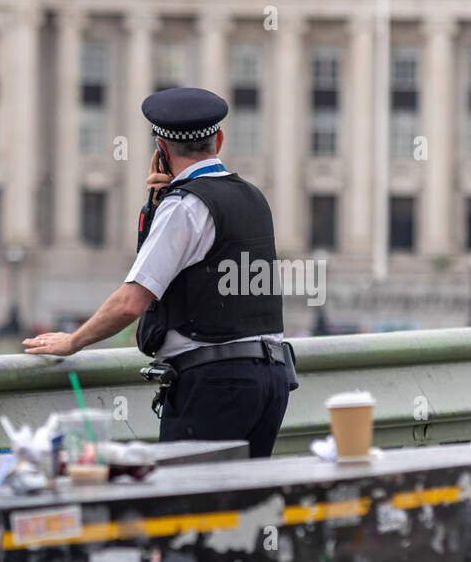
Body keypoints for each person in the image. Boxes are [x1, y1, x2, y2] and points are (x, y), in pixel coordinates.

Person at [23, 87, 296, 457]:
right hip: (272, 379)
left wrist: (73, 342)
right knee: (240, 508)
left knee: (184, 506)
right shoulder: (253, 197)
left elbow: (131, 303)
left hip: (214, 384)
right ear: (219, 139)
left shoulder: (184, 205)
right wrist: (155, 206)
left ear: (161, 149)